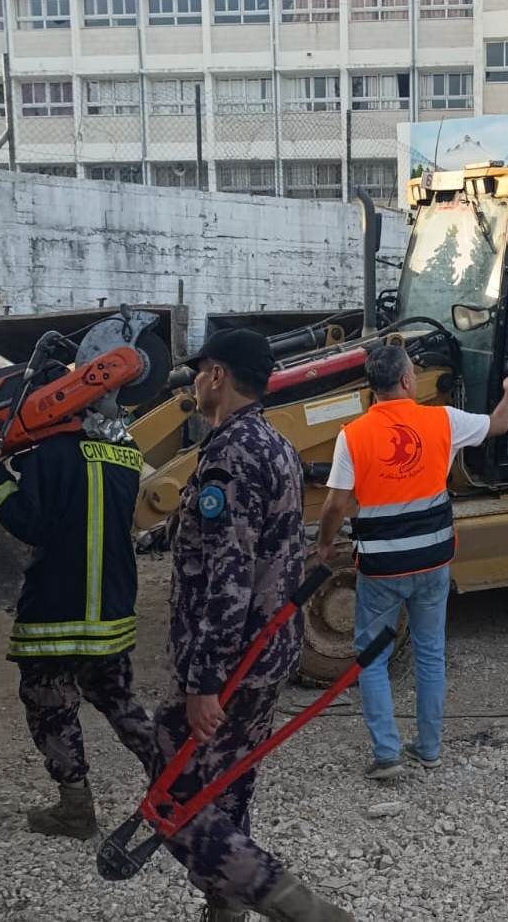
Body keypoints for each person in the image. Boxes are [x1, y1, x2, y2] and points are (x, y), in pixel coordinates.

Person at [158, 328, 347, 922]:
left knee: (174, 781)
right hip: (266, 650)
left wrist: (205, 682)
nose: (194, 382)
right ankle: (228, 905)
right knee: (230, 780)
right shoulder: (274, 442)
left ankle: (274, 894)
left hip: (234, 661)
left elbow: (229, 576)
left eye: (199, 371)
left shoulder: (231, 455)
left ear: (217, 376)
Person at [317, 345, 508, 781]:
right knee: (430, 653)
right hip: (432, 561)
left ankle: (386, 753)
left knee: (373, 657)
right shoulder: (443, 420)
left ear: (372, 387)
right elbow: (500, 423)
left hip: (381, 569)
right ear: (407, 381)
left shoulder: (352, 435)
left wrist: (324, 544)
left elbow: (334, 505)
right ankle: (429, 748)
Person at [0, 405, 156, 839]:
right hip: (111, 606)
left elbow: (30, 523)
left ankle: (75, 808)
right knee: (119, 700)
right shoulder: (126, 449)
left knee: (50, 705)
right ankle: (180, 788)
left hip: (56, 608)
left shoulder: (48, 452)